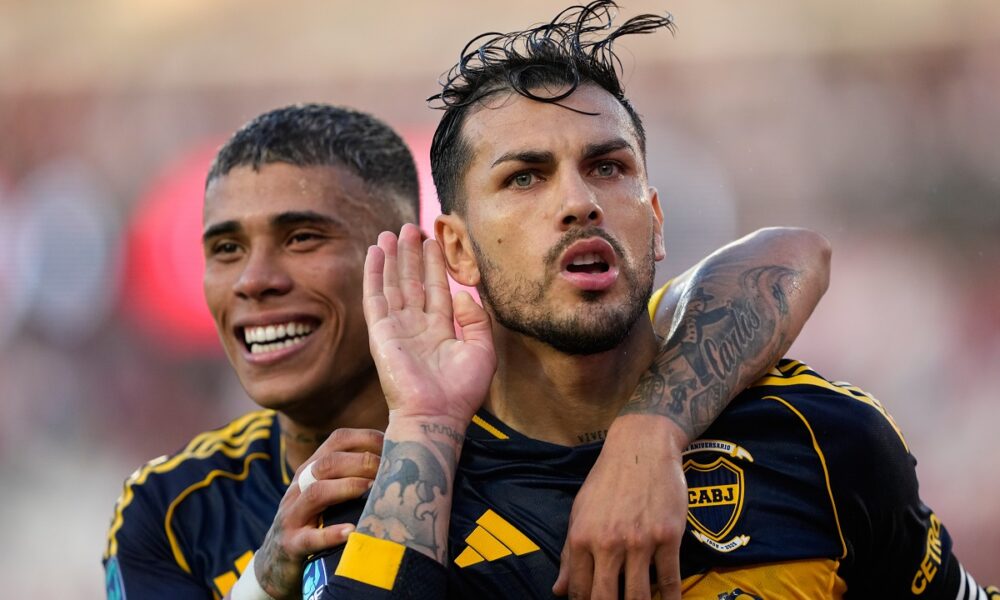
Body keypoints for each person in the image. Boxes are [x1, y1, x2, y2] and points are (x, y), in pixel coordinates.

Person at [306, 2, 999, 599]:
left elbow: (795, 251)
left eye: (608, 167)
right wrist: (425, 424)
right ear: (457, 249)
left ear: (656, 220)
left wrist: (649, 433)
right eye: (524, 178)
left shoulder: (820, 437)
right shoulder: (389, 496)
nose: (579, 201)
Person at [102, 101, 828, 599]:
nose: (255, 280)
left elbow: (782, 258)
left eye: (303, 238)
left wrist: (649, 433)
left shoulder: (533, 439)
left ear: (419, 255)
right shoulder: (174, 506)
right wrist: (263, 583)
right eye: (225, 249)